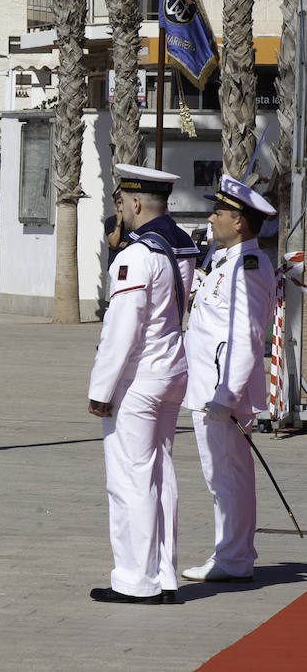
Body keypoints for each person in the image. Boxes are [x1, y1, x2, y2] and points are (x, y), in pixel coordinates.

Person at [86, 165, 197, 604]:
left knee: (130, 480)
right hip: (171, 370)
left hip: (139, 378)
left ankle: (136, 580)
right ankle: (164, 575)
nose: (120, 213)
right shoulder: (180, 247)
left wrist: (101, 390)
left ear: (134, 203)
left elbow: (123, 328)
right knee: (160, 476)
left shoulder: (136, 255)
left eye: (121, 205)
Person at [180, 175, 277, 584]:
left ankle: (234, 558)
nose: (211, 218)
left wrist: (225, 396)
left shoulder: (247, 268)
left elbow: (248, 336)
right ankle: (233, 552)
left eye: (218, 212)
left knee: (227, 477)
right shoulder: (229, 261)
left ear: (239, 222)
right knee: (224, 476)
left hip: (222, 393)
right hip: (212, 387)